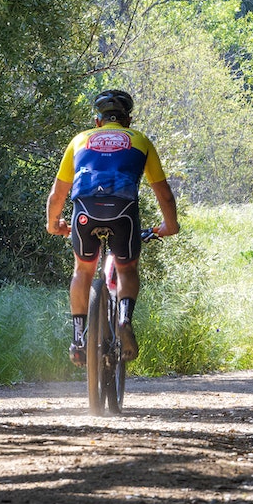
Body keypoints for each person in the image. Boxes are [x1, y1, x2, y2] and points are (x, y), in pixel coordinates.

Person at [46, 89, 179, 366]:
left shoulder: (80, 140)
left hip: (85, 211)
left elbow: (57, 195)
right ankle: (124, 319)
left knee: (82, 270)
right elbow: (164, 193)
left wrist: (53, 224)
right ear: (128, 120)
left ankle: (78, 340)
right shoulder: (140, 141)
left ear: (98, 121)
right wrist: (170, 225)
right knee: (127, 267)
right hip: (123, 213)